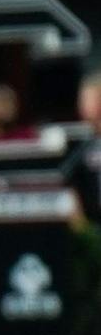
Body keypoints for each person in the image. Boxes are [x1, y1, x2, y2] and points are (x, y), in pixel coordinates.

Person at [59, 73, 101, 227]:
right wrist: (82, 227)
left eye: (88, 99)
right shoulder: (81, 145)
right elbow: (67, 179)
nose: (82, 105)